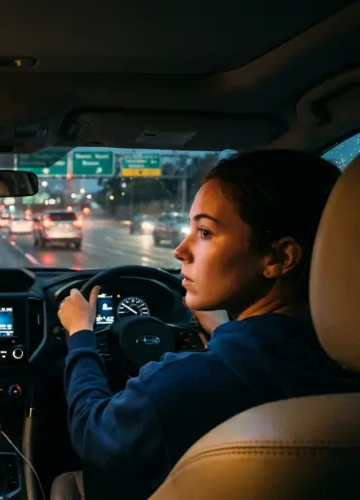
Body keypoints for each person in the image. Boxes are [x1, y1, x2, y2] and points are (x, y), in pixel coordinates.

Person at [56, 149, 360, 500]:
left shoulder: (180, 387)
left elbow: (92, 434)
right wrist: (221, 330)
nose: (180, 250)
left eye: (204, 231)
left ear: (279, 257)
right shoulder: (337, 369)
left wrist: (80, 336)